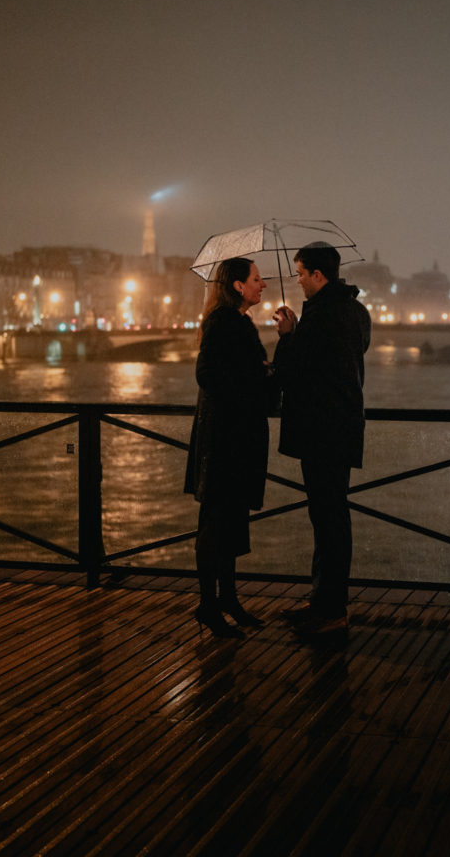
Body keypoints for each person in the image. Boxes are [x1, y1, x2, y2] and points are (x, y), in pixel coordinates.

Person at [272, 242, 371, 636]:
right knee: (331, 518)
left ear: (317, 275)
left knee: (327, 521)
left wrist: (286, 334)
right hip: (343, 427)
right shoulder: (356, 312)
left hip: (321, 430)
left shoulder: (323, 315)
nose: (297, 281)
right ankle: (323, 600)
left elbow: (290, 371)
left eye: (299, 274)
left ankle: (331, 610)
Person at [184, 257, 274, 639]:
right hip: (225, 439)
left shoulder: (239, 322)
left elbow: (245, 372)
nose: (263, 284)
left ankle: (227, 599)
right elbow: (207, 373)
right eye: (256, 278)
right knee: (217, 522)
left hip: (234, 437)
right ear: (238, 285)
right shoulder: (223, 322)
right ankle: (209, 604)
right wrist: (252, 385)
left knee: (232, 521)